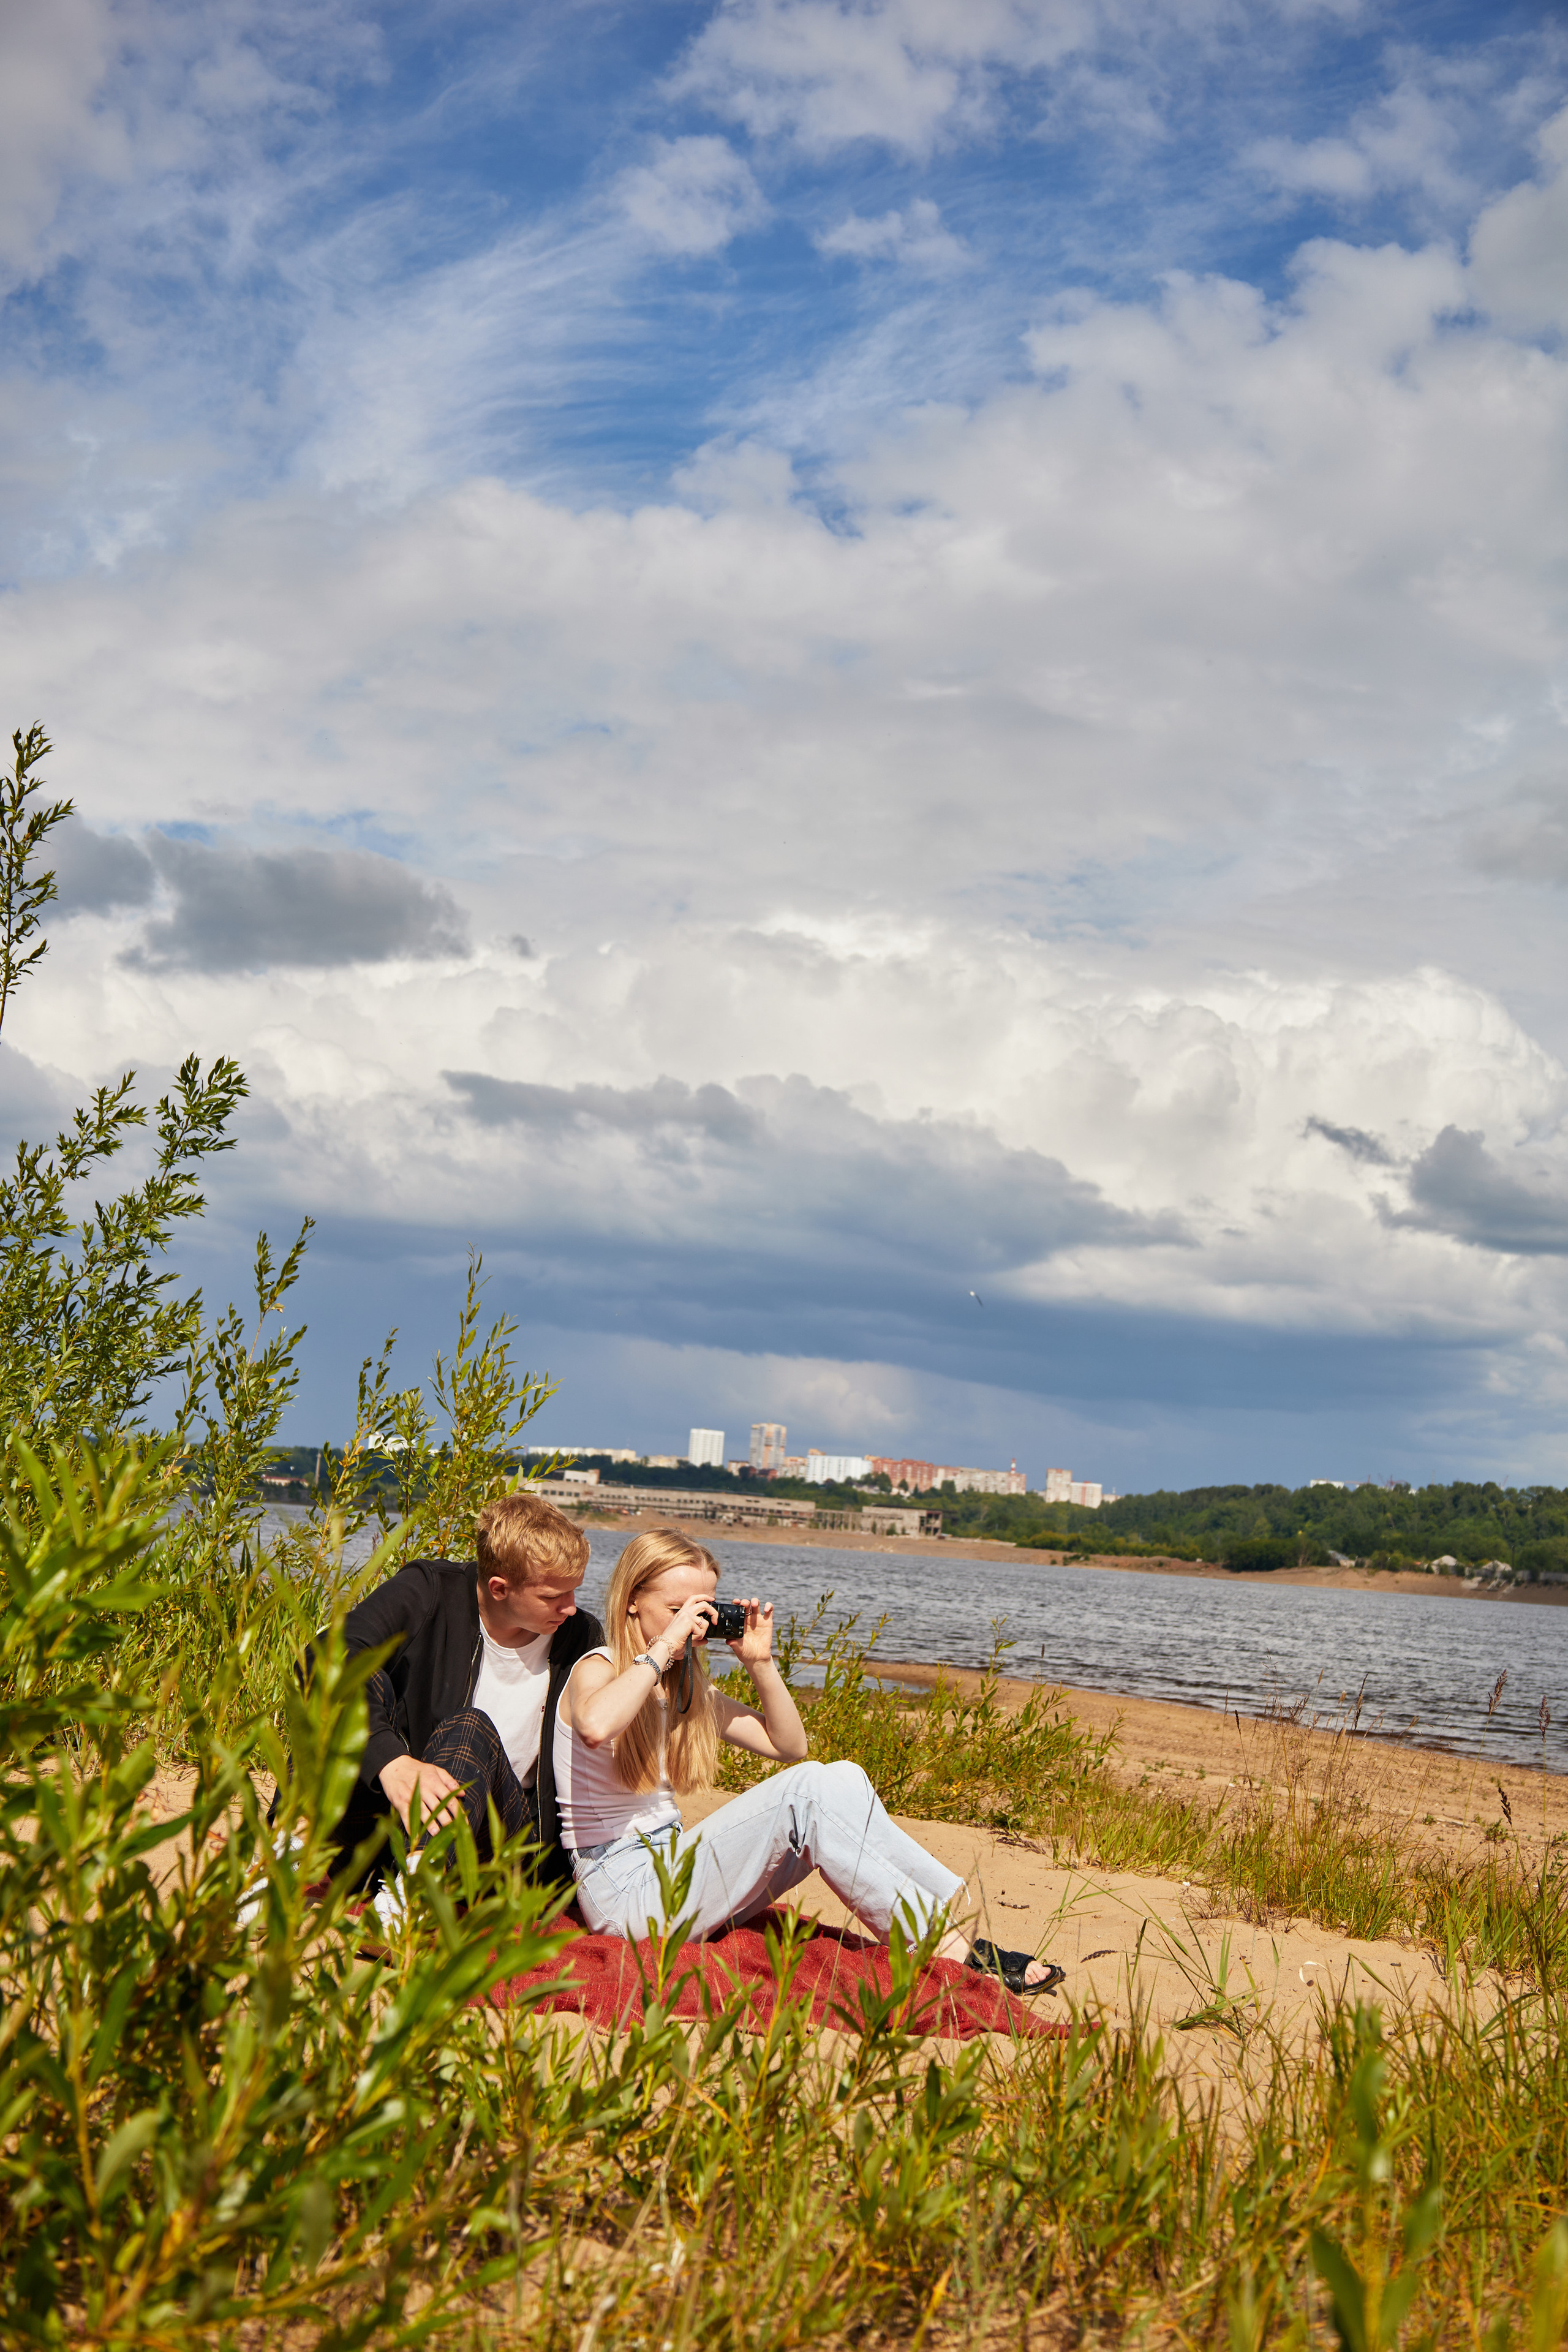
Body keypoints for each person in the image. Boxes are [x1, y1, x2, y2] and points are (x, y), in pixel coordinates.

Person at [554, 1528, 1059, 1994]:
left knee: (841, 1777)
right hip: (623, 1893)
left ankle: (942, 1939)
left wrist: (761, 1664)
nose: (693, 1627)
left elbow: (789, 1746)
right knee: (806, 1795)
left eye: (702, 1611)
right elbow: (599, 1726)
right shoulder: (596, 1670)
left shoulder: (682, 1688)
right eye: (677, 1610)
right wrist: (665, 1645)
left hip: (670, 1872)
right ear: (631, 1603)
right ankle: (949, 1952)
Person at [314, 1489, 605, 1892]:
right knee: (345, 1678)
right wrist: (391, 1762)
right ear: (500, 1588)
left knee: (470, 1728)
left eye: (575, 1592)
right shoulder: (430, 1591)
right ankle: (282, 1861)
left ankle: (411, 1902)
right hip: (400, 1820)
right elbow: (327, 1657)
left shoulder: (580, 1636)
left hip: (507, 1846)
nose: (571, 1608)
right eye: (555, 1597)